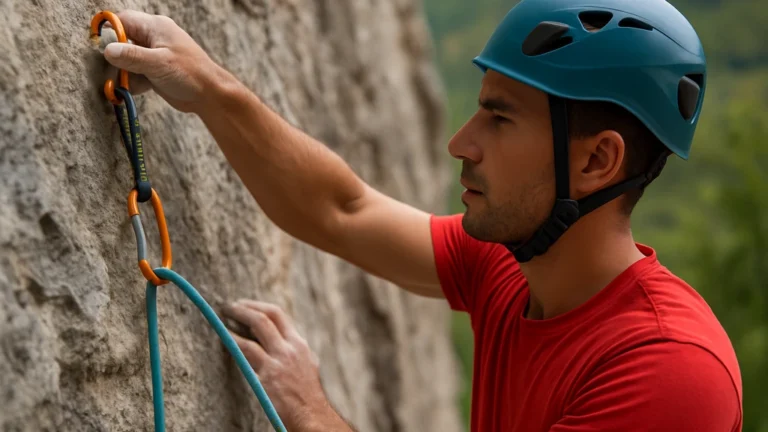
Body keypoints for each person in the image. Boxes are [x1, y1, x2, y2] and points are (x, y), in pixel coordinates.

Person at [101, 0, 743, 430]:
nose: (460, 142)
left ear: (599, 161)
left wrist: (314, 413)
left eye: (499, 117)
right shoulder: (513, 267)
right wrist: (209, 87)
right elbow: (340, 209)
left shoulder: (668, 371)